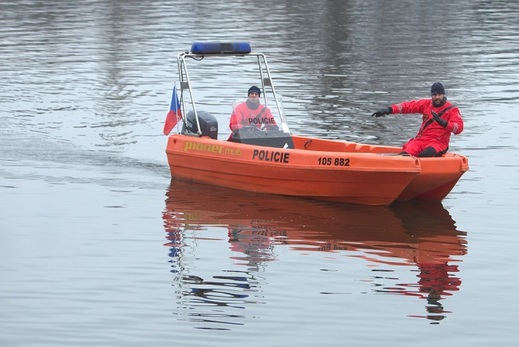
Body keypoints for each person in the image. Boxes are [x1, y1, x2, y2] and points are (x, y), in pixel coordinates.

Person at [371, 82, 464, 157]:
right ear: (431, 95)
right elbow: (407, 106)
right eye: (434, 95)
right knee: (405, 155)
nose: (437, 97)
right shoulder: (426, 104)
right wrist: (388, 110)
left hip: (439, 142)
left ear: (443, 94)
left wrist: (444, 123)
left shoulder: (452, 110)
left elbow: (458, 128)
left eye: (439, 94)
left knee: (426, 154)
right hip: (421, 140)